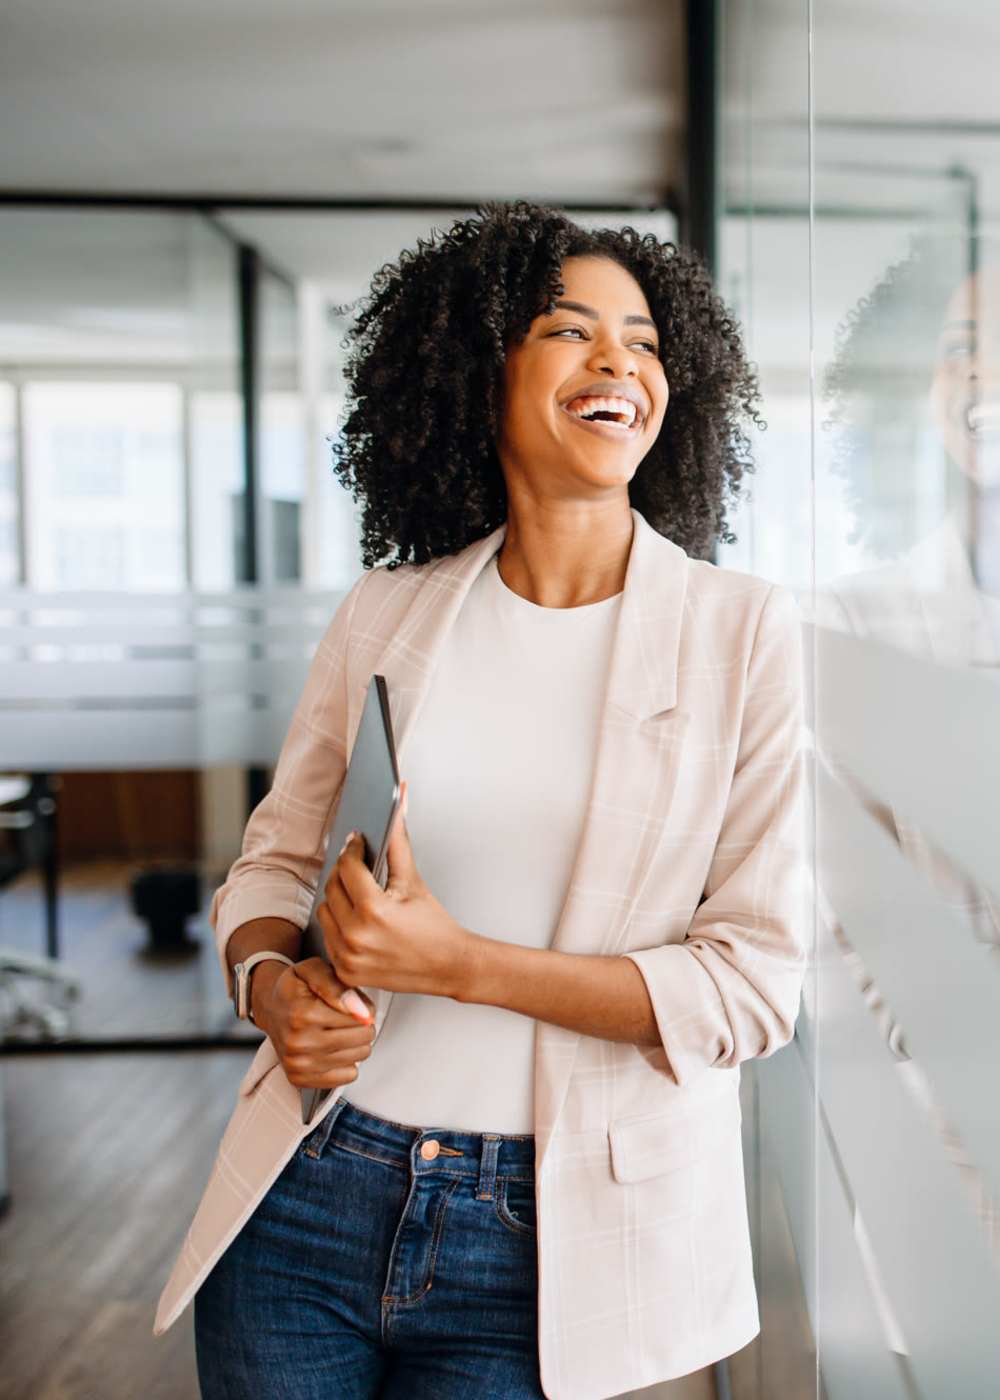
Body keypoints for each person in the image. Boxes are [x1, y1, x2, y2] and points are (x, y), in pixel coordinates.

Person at [152, 200, 808, 1400]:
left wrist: (458, 961)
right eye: (570, 330)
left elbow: (753, 986)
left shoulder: (739, 630)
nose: (619, 360)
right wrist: (270, 982)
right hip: (314, 1189)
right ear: (479, 373)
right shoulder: (386, 612)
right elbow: (272, 867)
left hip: (548, 1242)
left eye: (646, 341)